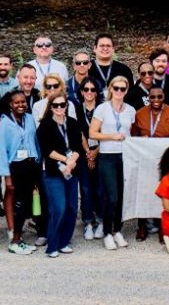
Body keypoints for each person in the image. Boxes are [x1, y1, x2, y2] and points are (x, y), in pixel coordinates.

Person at [132, 82, 169, 243]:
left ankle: (164, 226)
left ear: (164, 97)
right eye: (152, 96)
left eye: (159, 96)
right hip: (145, 160)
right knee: (144, 192)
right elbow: (132, 136)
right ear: (148, 98)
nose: (156, 99)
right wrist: (139, 140)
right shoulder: (140, 113)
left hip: (166, 161)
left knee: (166, 193)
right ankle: (141, 225)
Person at [37, 89, 87, 258]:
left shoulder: (73, 123)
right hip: (54, 172)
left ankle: (65, 241)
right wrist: (66, 161)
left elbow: (79, 146)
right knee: (59, 207)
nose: (59, 108)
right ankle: (53, 245)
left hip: (72, 171)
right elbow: (46, 150)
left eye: (62, 105)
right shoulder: (45, 125)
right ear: (50, 107)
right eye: (55, 105)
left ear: (66, 106)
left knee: (72, 208)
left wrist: (72, 161)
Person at [90, 76, 136, 249]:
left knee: (122, 196)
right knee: (112, 196)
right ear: (110, 89)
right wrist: (112, 136)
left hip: (125, 156)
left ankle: (117, 230)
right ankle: (107, 232)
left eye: (122, 89)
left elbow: (130, 132)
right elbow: (93, 132)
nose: (119, 92)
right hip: (107, 156)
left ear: (126, 90)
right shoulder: (102, 109)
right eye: (116, 88)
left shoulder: (130, 110)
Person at [0, 89, 42, 254]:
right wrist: (7, 177)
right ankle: (14, 240)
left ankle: (20, 238)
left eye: (23, 102)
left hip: (30, 164)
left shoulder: (29, 119)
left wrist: (38, 162)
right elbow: (1, 149)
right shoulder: (5, 123)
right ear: (10, 104)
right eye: (17, 102)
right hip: (16, 166)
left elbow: (34, 141)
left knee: (27, 202)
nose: (21, 105)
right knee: (20, 204)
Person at [74, 77, 102, 240]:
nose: (89, 92)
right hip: (84, 153)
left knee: (99, 188)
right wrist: (88, 153)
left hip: (101, 151)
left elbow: (105, 132)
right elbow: (79, 133)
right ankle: (88, 222)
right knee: (85, 189)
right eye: (86, 89)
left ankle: (100, 219)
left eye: (92, 89)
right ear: (82, 92)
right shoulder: (77, 109)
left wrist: (96, 152)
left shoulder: (103, 108)